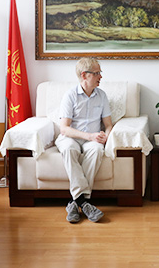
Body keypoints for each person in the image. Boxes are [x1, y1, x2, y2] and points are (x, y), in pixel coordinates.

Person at [55, 57, 113, 223]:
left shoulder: (102, 96)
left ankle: (74, 204)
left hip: (92, 140)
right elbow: (64, 128)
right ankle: (84, 202)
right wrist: (89, 136)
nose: (100, 76)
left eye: (100, 72)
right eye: (96, 73)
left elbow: (108, 125)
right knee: (69, 149)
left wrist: (106, 136)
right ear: (84, 75)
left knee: (97, 150)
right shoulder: (70, 95)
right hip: (70, 137)